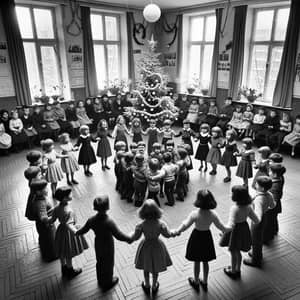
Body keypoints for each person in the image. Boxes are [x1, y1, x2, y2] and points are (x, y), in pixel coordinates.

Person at [175, 190, 228, 292]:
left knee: (197, 261)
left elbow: (185, 225)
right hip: (206, 238)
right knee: (205, 261)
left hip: (196, 237)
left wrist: (178, 231)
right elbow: (221, 226)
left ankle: (195, 281)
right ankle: (205, 281)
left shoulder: (194, 214)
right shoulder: (213, 214)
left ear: (198, 200)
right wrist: (228, 229)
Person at [76, 196, 132, 291]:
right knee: (109, 263)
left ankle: (100, 279)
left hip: (98, 243)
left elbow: (83, 230)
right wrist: (129, 239)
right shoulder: (109, 222)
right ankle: (108, 282)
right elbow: (119, 235)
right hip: (108, 244)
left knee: (100, 261)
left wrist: (77, 231)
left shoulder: (91, 220)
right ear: (107, 207)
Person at [131, 199, 175, 296]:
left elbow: (136, 237)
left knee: (146, 267)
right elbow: (167, 235)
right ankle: (154, 286)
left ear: (142, 212)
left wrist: (129, 237)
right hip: (157, 247)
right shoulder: (161, 224)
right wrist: (174, 233)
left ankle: (147, 285)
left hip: (145, 246)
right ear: (157, 210)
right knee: (156, 268)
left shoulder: (141, 225)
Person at [220, 186, 259, 279]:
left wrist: (223, 230)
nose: (231, 194)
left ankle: (233, 271)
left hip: (235, 231)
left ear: (236, 196)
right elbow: (256, 220)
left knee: (233, 251)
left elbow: (231, 224)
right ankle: (238, 269)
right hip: (244, 228)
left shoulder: (235, 208)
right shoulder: (248, 207)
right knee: (238, 252)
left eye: (232, 193)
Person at [50, 187, 88, 278]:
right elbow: (69, 224)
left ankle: (63, 268)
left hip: (60, 231)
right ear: (64, 198)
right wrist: (76, 231)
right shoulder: (68, 211)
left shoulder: (56, 208)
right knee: (68, 252)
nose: (72, 195)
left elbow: (52, 219)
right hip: (68, 233)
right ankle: (70, 270)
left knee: (62, 251)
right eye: (70, 194)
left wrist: (46, 221)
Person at [243, 176, 276, 268]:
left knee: (255, 240)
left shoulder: (259, 199)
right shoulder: (269, 194)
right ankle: (256, 253)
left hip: (257, 222)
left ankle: (256, 260)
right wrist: (266, 208)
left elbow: (258, 215)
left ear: (262, 188)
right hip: (265, 217)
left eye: (257, 183)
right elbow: (273, 205)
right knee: (259, 238)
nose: (255, 184)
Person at [30, 179, 57, 262]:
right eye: (45, 189)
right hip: (46, 225)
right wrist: (52, 219)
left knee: (45, 239)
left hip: (42, 225)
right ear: (38, 192)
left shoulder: (39, 198)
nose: (47, 190)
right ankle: (52, 255)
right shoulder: (40, 203)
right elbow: (43, 217)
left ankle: (46, 253)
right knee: (50, 239)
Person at [263, 164, 286, 244]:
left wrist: (268, 207)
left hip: (272, 207)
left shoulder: (275, 185)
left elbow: (274, 199)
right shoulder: (281, 178)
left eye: (270, 171)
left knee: (268, 222)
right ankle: (275, 230)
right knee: (273, 219)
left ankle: (267, 238)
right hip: (275, 206)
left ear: (275, 174)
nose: (269, 172)